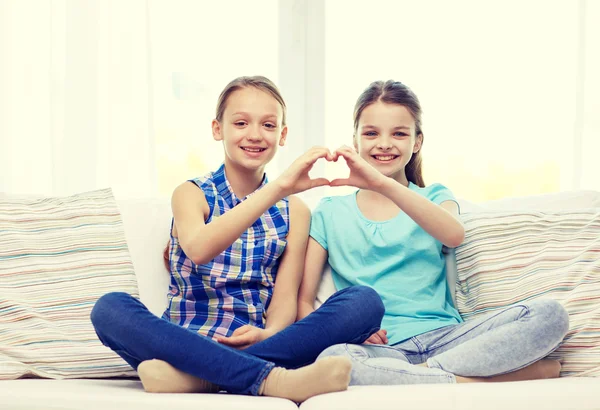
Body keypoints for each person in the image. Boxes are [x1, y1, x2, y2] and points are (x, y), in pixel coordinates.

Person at [91, 76, 384, 402]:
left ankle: (200, 379)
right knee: (110, 309)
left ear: (282, 134)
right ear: (218, 129)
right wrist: (278, 189)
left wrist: (270, 332)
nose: (255, 135)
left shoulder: (296, 212)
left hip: (258, 342)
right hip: (182, 342)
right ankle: (272, 380)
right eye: (241, 123)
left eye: (269, 125)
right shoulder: (191, 194)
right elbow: (200, 249)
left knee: (365, 303)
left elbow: (285, 296)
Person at [297, 80, 570, 385]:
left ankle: (420, 377)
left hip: (449, 338)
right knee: (334, 360)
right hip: (380, 350)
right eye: (371, 133)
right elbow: (305, 302)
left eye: (399, 133)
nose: (384, 143)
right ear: (356, 140)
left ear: (417, 142)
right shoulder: (329, 211)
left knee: (549, 314)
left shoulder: (436, 196)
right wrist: (347, 331)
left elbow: (453, 235)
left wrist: (381, 183)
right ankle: (470, 381)